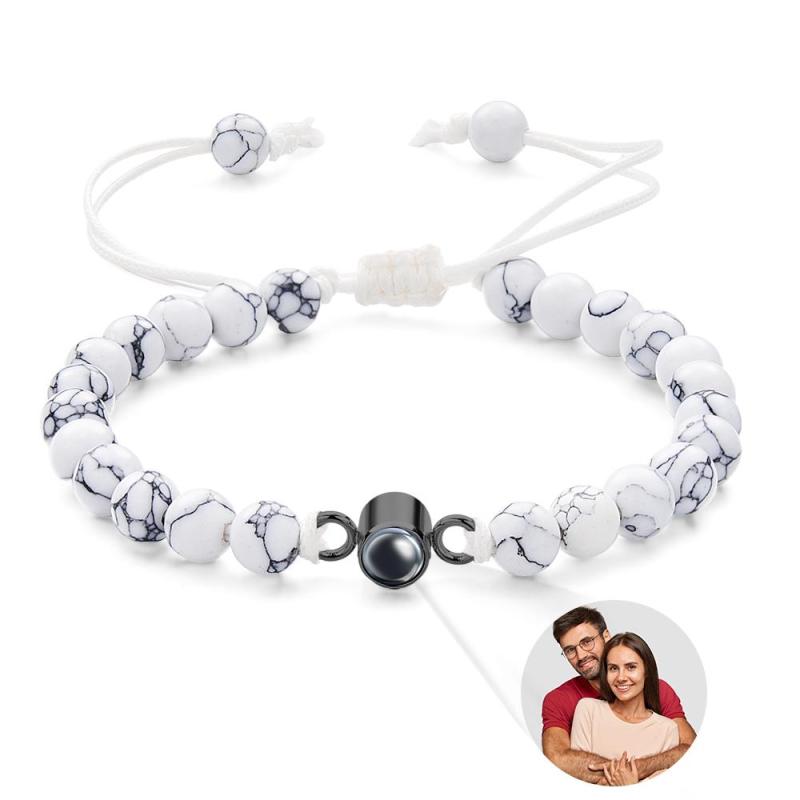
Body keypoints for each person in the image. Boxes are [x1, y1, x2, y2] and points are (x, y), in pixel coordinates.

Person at [541, 606, 695, 784]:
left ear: (606, 636)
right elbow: (557, 758)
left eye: (587, 642)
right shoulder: (561, 700)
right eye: (570, 650)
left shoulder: (659, 691)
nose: (581, 655)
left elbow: (689, 749)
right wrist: (624, 776)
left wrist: (631, 772)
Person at [570, 632, 682, 785]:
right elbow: (578, 779)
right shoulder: (588, 710)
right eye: (613, 668)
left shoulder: (667, 729)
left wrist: (627, 785)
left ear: (646, 671)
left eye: (631, 667)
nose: (621, 677)